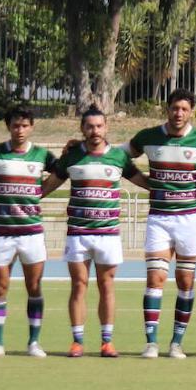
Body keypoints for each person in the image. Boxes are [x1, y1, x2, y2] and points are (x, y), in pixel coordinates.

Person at [127, 89, 196, 358]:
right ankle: (151, 342)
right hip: (159, 217)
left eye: (184, 109)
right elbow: (117, 158)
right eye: (175, 108)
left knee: (185, 280)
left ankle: (176, 343)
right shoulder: (148, 137)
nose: (179, 113)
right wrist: (144, 182)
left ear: (191, 111)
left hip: (190, 219)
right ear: (167, 109)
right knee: (155, 277)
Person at [42, 107, 150, 356]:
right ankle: (77, 341)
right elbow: (49, 185)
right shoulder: (71, 157)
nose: (95, 131)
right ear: (82, 129)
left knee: (106, 285)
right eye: (89, 126)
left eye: (99, 126)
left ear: (106, 127)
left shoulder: (118, 157)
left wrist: (168, 188)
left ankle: (107, 341)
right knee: (79, 285)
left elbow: (142, 181)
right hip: (78, 233)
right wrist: (24, 198)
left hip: (108, 233)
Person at [0, 107, 60, 358]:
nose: (19, 130)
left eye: (24, 125)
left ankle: (34, 342)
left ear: (31, 127)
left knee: (34, 287)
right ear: (8, 127)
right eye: (15, 125)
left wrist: (43, 190)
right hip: (2, 232)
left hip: (31, 232)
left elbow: (62, 170)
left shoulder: (42, 155)